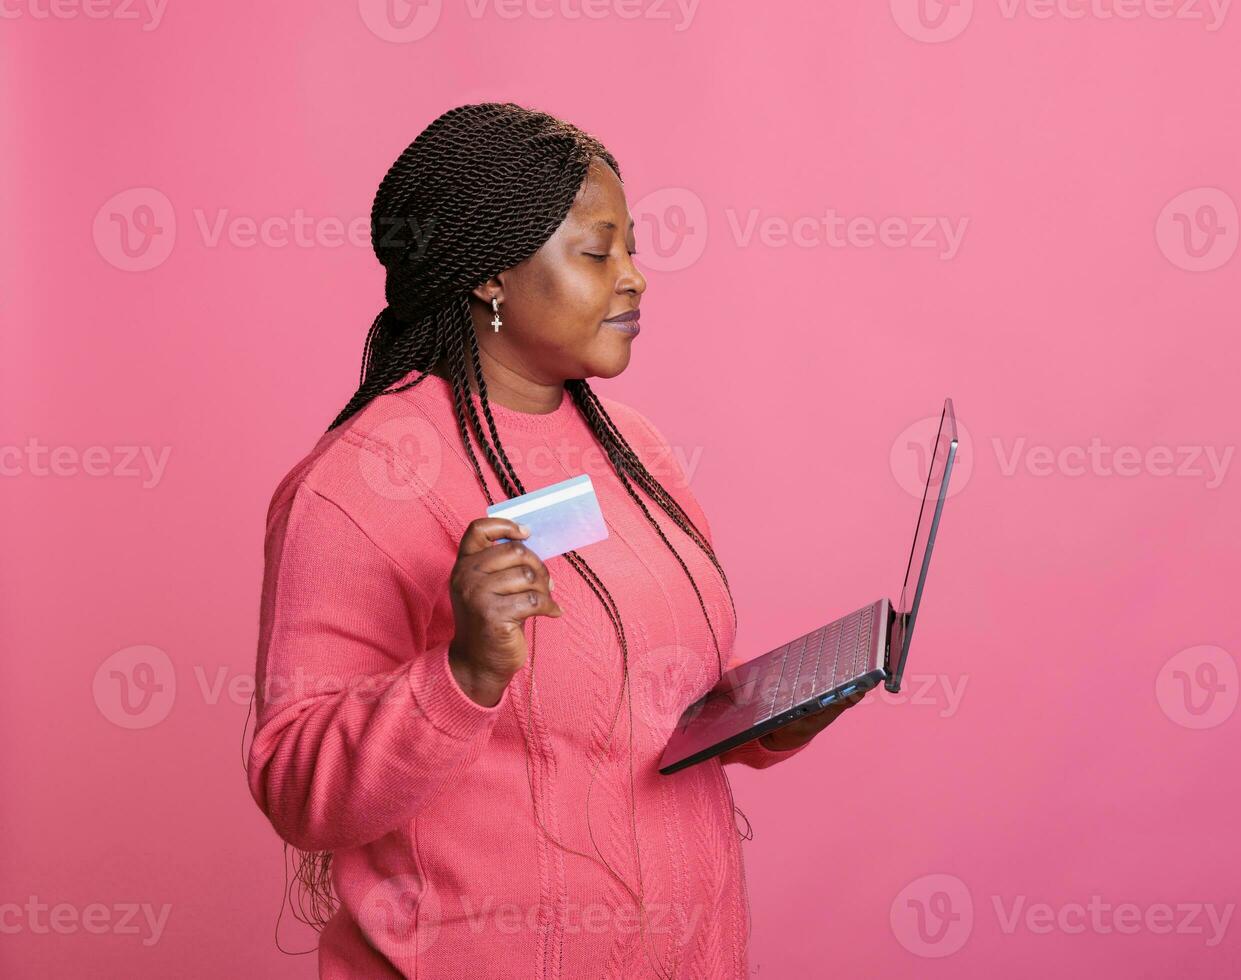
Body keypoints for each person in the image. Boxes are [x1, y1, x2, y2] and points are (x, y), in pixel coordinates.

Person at [246, 101, 865, 979]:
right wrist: (463, 675)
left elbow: (641, 711)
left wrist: (771, 716)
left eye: (633, 247)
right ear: (491, 275)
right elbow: (293, 785)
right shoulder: (360, 483)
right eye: (597, 250)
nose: (635, 277)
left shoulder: (637, 448)